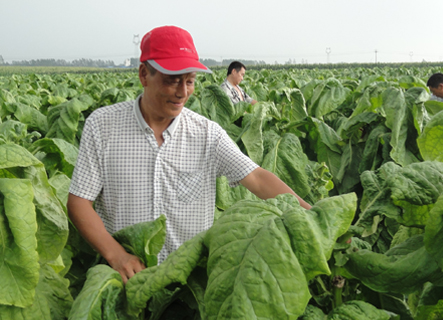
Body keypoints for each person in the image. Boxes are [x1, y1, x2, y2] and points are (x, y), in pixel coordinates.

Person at [67, 25, 310, 284]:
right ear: (143, 74)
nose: (183, 92)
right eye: (172, 80)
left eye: (190, 80)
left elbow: (258, 179)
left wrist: (313, 215)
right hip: (123, 279)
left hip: (188, 287)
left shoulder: (207, 134)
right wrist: (117, 255)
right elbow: (80, 201)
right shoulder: (102, 126)